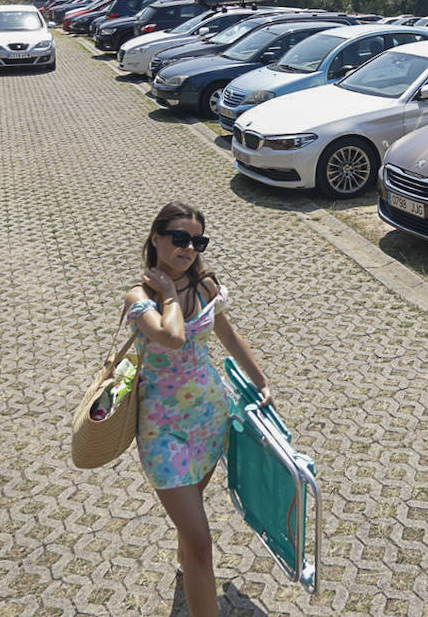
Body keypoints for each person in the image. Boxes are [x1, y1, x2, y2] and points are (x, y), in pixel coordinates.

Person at [124, 200, 271, 616]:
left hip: (210, 417)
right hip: (162, 432)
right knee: (202, 541)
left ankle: (185, 563)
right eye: (179, 238)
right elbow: (172, 338)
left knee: (191, 531)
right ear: (156, 238)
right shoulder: (141, 296)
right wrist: (169, 293)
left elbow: (227, 333)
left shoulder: (206, 286)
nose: (188, 247)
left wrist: (261, 381)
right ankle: (194, 569)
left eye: (196, 240)